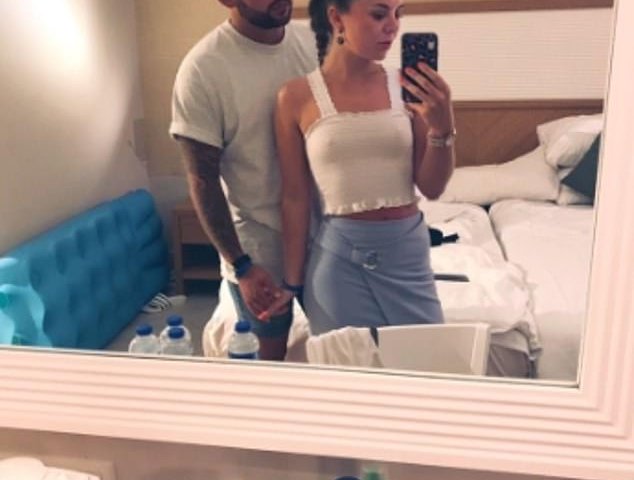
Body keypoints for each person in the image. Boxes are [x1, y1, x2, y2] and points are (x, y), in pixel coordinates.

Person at [268, 0, 456, 334]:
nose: (393, 26)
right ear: (336, 18)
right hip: (338, 262)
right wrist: (292, 283)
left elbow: (432, 187)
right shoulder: (295, 97)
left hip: (407, 257)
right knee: (344, 366)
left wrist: (442, 129)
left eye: (398, 13)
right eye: (379, 14)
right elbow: (295, 198)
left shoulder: (408, 87)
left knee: (429, 360)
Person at [169, 0, 318, 360]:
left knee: (340, 353)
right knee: (267, 365)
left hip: (325, 239)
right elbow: (202, 179)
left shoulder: (313, 45)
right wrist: (241, 266)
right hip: (259, 247)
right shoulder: (203, 70)